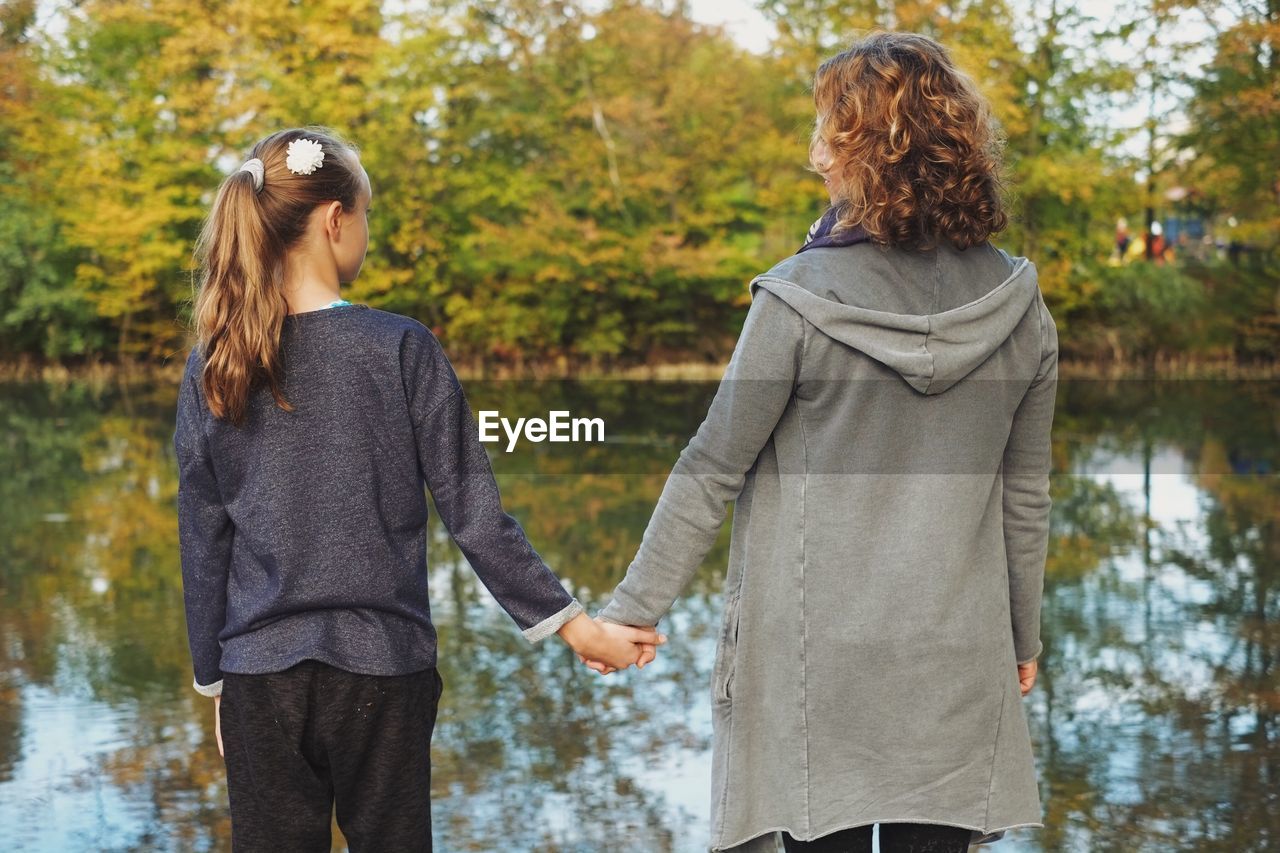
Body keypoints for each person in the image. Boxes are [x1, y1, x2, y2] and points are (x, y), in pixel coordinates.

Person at [580, 32, 1056, 853]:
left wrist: (632, 610)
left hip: (814, 671)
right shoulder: (1020, 308)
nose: (814, 159)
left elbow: (709, 468)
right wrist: (1021, 635)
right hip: (955, 661)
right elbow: (1025, 495)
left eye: (826, 136)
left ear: (869, 151)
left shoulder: (797, 299)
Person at [173, 126, 666, 852]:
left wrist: (217, 681)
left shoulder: (213, 363)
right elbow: (475, 513)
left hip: (261, 677)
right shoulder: (401, 347)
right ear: (335, 220)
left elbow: (202, 536)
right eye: (365, 215)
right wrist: (576, 625)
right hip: (384, 670)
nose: (366, 232)